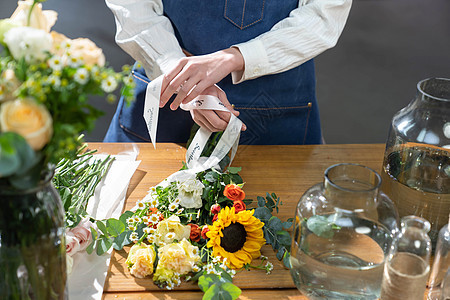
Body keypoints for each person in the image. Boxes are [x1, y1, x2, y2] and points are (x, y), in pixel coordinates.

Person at [104, 0, 352, 145]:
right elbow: (132, 7)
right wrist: (179, 73)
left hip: (274, 110)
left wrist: (232, 58)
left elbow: (323, 17)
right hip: (165, 94)